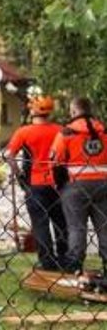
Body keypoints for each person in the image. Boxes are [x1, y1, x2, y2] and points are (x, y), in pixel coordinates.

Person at [0, 95, 67, 270]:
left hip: (35, 184)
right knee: (61, 221)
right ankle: (65, 258)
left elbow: (9, 155)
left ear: (31, 110)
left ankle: (47, 262)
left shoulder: (24, 132)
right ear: (50, 111)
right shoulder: (61, 130)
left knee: (40, 223)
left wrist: (20, 175)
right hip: (58, 184)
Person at [50, 97, 107, 274]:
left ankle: (75, 264)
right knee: (104, 226)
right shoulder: (104, 130)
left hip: (75, 186)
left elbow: (55, 162)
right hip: (104, 185)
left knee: (76, 227)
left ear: (74, 111)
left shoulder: (67, 132)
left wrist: (59, 185)